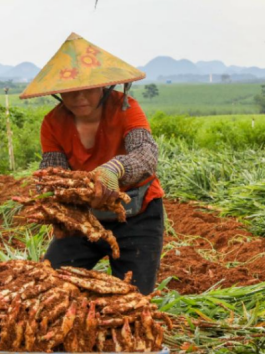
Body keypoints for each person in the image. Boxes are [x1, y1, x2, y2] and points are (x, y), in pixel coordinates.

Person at [19, 33, 164, 295]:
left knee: (133, 296)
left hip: (138, 216)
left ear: (103, 86)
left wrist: (114, 169)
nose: (79, 97)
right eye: (70, 92)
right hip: (83, 217)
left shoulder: (126, 108)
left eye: (87, 87)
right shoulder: (53, 123)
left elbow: (146, 154)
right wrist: (56, 207)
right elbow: (54, 173)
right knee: (48, 285)